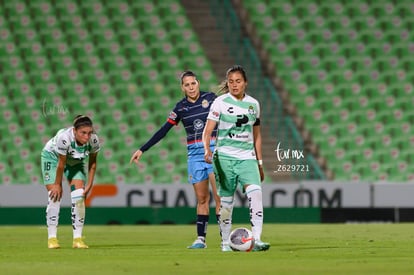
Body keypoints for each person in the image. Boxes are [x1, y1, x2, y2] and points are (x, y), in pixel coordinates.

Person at [130, 71, 220, 249]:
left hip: (213, 151)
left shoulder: (211, 99)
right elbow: (163, 130)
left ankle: (225, 238)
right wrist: (142, 149)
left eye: (193, 83)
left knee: (219, 198)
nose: (191, 87)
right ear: (182, 87)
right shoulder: (180, 108)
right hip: (194, 155)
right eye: (187, 85)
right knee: (202, 199)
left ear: (198, 83)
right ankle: (200, 239)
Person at [202, 65, 270, 252]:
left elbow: (256, 135)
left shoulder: (254, 105)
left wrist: (260, 163)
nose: (234, 84)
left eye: (238, 81)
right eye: (231, 81)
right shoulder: (220, 102)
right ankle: (225, 243)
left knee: (255, 194)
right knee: (226, 202)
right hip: (224, 157)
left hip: (247, 158)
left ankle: (256, 240)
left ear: (245, 83)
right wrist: (207, 149)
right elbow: (207, 132)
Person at [41, 115, 100, 249]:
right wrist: (57, 185)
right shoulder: (64, 138)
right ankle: (52, 239)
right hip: (52, 158)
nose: (87, 136)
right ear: (74, 131)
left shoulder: (94, 140)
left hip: (74, 161)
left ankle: (77, 239)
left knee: (79, 196)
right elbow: (61, 164)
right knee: (54, 195)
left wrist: (90, 184)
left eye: (89, 132)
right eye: (83, 133)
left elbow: (93, 163)